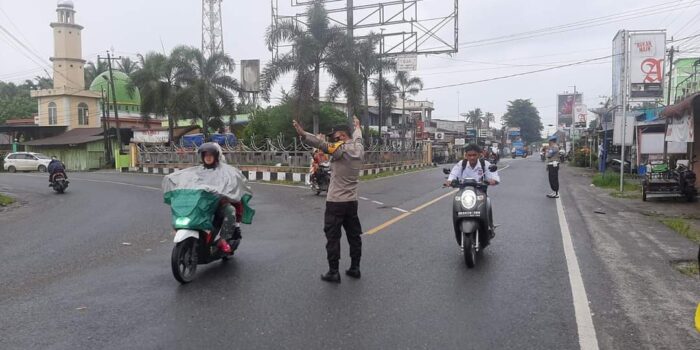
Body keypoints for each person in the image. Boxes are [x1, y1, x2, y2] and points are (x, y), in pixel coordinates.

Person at [293, 116, 364, 283]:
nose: (333, 137)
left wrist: (304, 134)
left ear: (342, 135)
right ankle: (355, 268)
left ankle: (334, 272)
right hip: (352, 201)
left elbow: (322, 145)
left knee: (333, 237)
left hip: (336, 202)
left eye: (335, 135)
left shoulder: (340, 150)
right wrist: (358, 127)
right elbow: (359, 136)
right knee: (354, 236)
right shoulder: (359, 147)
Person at [445, 144, 500, 245]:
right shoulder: (461, 164)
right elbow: (453, 174)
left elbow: (495, 177)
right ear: (466, 155)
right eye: (469, 155)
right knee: (456, 203)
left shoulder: (485, 164)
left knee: (488, 201)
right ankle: (458, 226)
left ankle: (490, 226)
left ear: (479, 155)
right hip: (464, 193)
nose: (472, 157)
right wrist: (449, 181)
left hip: (480, 193)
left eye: (474, 155)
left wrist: (493, 180)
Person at [198, 142, 245, 254]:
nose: (208, 158)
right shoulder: (198, 171)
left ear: (216, 156)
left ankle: (223, 240)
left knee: (230, 210)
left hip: (219, 203)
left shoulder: (224, 171)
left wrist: (225, 193)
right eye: (206, 155)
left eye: (211, 155)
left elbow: (232, 184)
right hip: (202, 203)